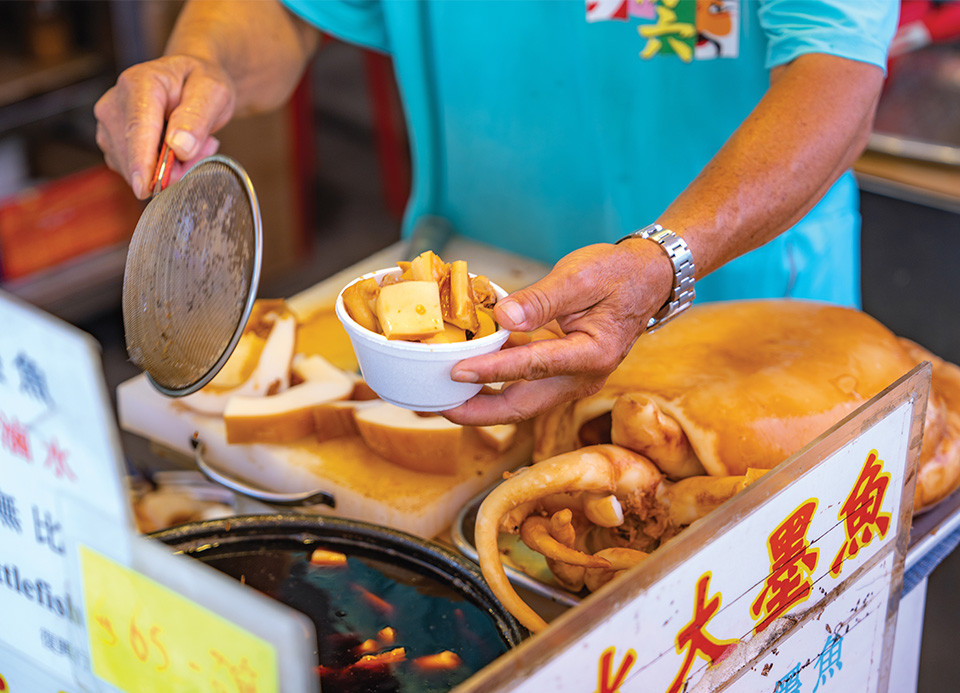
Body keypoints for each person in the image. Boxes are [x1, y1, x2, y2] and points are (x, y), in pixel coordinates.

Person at [94, 0, 898, 426]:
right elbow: (286, 9)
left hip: (743, 321)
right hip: (479, 321)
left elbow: (837, 75)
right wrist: (202, 62)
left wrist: (663, 262)